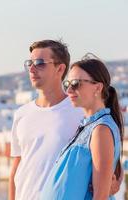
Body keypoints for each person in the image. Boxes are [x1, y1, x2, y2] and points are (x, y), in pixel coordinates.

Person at [9, 40, 122, 200]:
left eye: (40, 63)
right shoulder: (21, 114)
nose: (32, 69)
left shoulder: (81, 110)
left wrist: (114, 181)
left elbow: (110, 154)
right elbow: (16, 168)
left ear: (60, 68)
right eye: (30, 63)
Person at [40, 55, 123, 200]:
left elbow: (100, 196)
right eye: (67, 84)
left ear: (97, 87)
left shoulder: (101, 130)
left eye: (76, 83)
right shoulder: (88, 126)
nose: (69, 90)